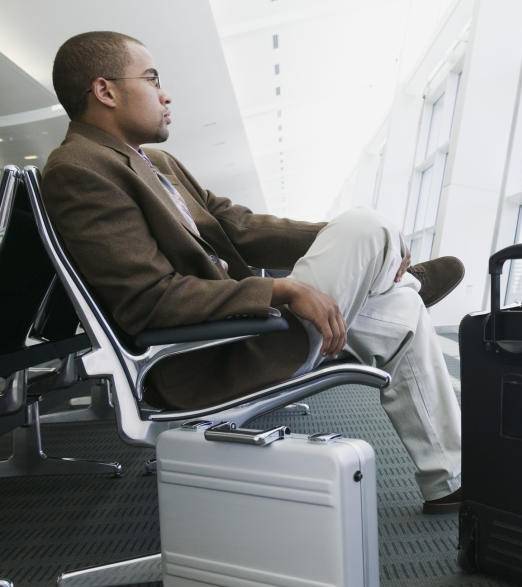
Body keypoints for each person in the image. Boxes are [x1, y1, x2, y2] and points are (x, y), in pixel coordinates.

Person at [43, 31, 463, 514]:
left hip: (245, 332)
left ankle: (449, 483)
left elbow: (238, 227)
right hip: (209, 356)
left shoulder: (155, 161)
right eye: (153, 79)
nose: (166, 94)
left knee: (399, 307)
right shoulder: (80, 169)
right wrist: (276, 289)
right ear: (106, 91)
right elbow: (146, 300)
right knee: (368, 224)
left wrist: (339, 241)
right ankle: (394, 276)